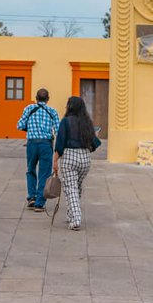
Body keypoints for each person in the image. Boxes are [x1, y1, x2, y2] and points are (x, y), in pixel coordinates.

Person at [52, 95, 100, 231]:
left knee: (70, 188)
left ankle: (76, 219)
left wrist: (55, 161)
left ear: (69, 106)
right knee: (76, 187)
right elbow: (94, 143)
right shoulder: (87, 123)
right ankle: (70, 214)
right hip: (85, 159)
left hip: (69, 157)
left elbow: (60, 143)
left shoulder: (66, 122)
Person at [16, 87, 60, 212]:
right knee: (44, 174)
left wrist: (30, 128)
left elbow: (19, 125)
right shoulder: (52, 111)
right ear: (48, 99)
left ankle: (32, 197)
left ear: (36, 98)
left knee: (30, 170)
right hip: (46, 144)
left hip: (32, 144)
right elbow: (58, 130)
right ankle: (40, 203)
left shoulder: (29, 109)